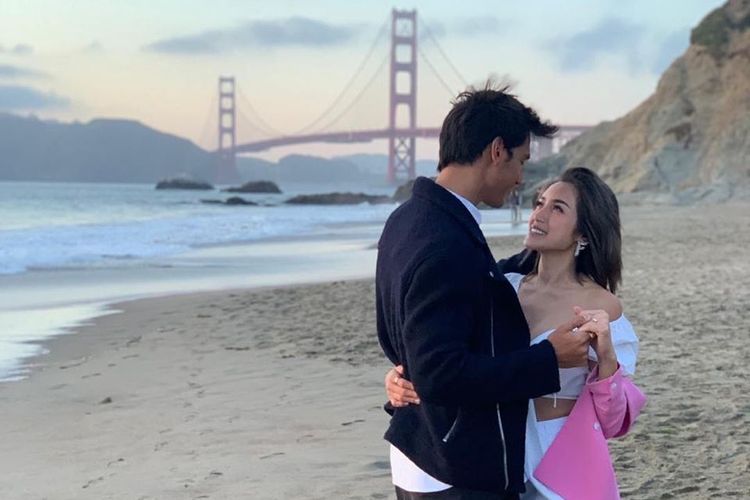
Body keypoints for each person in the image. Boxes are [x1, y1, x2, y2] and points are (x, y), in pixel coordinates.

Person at [376, 84, 597, 500]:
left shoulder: (407, 220)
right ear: (497, 151)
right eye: (522, 161)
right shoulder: (445, 242)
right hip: (453, 467)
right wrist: (548, 358)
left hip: (423, 447)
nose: (520, 179)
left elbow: (451, 300)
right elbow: (442, 375)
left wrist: (532, 257)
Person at [386, 168, 647, 499]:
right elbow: (451, 357)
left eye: (557, 208)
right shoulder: (504, 287)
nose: (538, 214)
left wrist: (607, 358)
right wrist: (403, 374)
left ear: (583, 233)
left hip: (561, 462)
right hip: (497, 453)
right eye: (540, 203)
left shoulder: (602, 306)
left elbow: (613, 421)